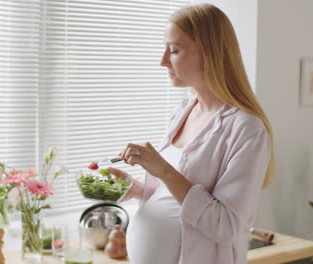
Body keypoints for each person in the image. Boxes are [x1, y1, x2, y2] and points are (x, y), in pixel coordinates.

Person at [107, 3, 275, 264]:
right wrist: (138, 190)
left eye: (174, 50)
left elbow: (227, 226)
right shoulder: (184, 110)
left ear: (209, 53)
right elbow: (175, 198)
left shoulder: (247, 129)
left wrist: (162, 169)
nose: (162, 61)